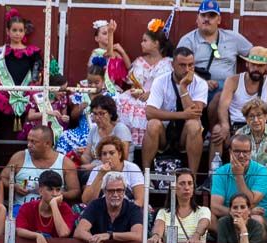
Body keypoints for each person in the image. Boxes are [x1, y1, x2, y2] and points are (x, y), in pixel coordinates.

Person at [175, 0, 251, 119]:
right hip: (196, 87)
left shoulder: (233, 38)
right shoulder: (188, 40)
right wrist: (201, 82)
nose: (206, 19)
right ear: (197, 19)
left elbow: (253, 54)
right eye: (203, 15)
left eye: (211, 16)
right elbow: (178, 68)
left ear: (219, 20)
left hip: (228, 88)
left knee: (226, 94)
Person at [142, 46, 206, 175]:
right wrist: (182, 115)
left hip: (185, 134)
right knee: (153, 124)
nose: (186, 69)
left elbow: (195, 114)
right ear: (172, 65)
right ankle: (146, 175)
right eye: (182, 65)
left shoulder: (200, 83)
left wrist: (183, 88)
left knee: (194, 125)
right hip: (163, 134)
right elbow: (149, 112)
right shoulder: (160, 81)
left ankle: (192, 178)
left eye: (190, 65)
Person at [115, 19, 173, 147]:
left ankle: (148, 144)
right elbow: (134, 82)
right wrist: (136, 90)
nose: (141, 43)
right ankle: (127, 145)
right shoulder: (139, 62)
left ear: (156, 44)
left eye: (145, 40)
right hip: (138, 97)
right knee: (126, 107)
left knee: (146, 113)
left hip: (156, 100)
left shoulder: (167, 64)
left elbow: (168, 87)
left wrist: (151, 93)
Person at [217, 46, 267, 156]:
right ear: (247, 64)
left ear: (266, 67)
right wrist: (224, 125)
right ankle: (214, 170)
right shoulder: (233, 80)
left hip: (259, 127)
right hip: (235, 125)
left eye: (260, 66)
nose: (256, 68)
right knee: (217, 132)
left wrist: (256, 120)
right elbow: (222, 107)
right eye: (253, 64)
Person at [0, 8, 43, 136]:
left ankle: (28, 130)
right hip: (6, 89)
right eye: (14, 30)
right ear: (8, 31)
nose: (17, 34)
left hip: (26, 88)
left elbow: (36, 68)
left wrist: (36, 78)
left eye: (20, 30)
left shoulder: (32, 52)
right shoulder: (1, 52)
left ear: (25, 32)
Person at [3, 124, 79, 210]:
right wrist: (13, 186)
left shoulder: (65, 163)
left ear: (47, 144)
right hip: (21, 209)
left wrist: (55, 193)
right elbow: (3, 177)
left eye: (33, 142)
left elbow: (75, 191)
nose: (29, 145)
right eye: (28, 141)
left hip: (52, 211)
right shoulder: (19, 157)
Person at [235, 97, 267, 218]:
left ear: (266, 117)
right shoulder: (240, 134)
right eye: (251, 116)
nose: (256, 120)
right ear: (246, 119)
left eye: (259, 115)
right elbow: (236, 161)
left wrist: (260, 178)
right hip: (246, 175)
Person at [211, 133, 267, 227]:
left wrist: (238, 175)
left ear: (251, 153)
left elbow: (251, 202)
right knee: (208, 217)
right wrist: (245, 213)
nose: (241, 156)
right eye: (237, 151)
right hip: (229, 218)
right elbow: (215, 207)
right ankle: (227, 240)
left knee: (257, 219)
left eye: (245, 152)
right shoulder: (220, 172)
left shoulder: (262, 172)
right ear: (230, 152)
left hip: (253, 220)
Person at [74, 172, 143, 243]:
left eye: (119, 190)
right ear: (104, 191)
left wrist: (110, 235)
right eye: (111, 191)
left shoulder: (133, 208)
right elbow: (79, 231)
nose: (115, 194)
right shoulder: (95, 205)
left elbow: (138, 235)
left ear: (124, 191)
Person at [148, 168, 210, 243]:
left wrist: (196, 236)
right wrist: (155, 236)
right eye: (182, 183)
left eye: (190, 183)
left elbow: (203, 224)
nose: (187, 187)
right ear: (173, 187)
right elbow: (158, 227)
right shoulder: (164, 212)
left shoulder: (203, 210)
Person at [14, 168, 75, 243]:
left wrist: (54, 205)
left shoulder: (65, 208)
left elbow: (63, 233)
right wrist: (37, 236)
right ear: (40, 191)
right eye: (50, 189)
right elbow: (19, 230)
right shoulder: (27, 207)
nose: (55, 194)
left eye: (58, 190)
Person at [83, 135, 145, 207]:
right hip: (101, 210)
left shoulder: (132, 168)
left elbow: (140, 200)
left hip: (127, 209)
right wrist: (100, 175)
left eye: (111, 153)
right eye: (104, 154)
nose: (107, 157)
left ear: (119, 154)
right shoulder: (97, 170)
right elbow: (86, 200)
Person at [77, 94, 133, 168]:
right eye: (95, 114)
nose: (97, 117)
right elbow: (87, 156)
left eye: (101, 114)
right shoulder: (94, 130)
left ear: (110, 114)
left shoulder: (121, 129)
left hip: (117, 170)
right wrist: (79, 156)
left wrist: (94, 166)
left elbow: (122, 158)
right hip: (94, 168)